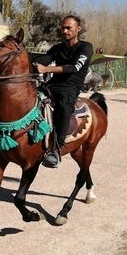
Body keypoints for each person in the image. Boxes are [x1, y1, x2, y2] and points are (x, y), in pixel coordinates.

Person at [32, 16, 94, 168]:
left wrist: (47, 69)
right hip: (52, 84)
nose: (65, 31)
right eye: (63, 28)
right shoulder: (58, 48)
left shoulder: (85, 47)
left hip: (70, 87)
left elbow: (75, 67)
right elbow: (43, 59)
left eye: (68, 28)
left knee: (64, 108)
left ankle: (55, 149)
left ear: (78, 29)